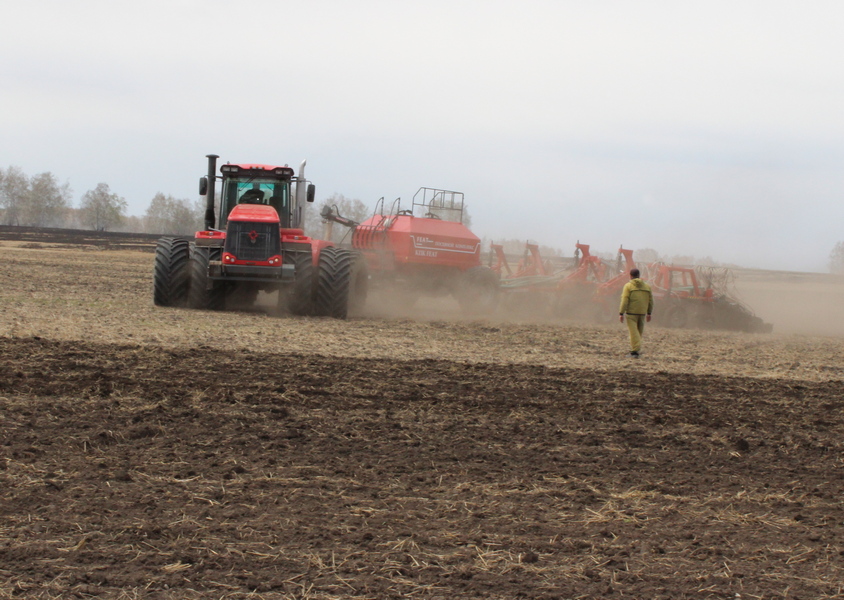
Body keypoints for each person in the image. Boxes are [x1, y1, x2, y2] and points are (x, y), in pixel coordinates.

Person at [619, 268, 653, 357]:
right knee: (639, 332)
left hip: (631, 313)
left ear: (630, 276)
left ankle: (634, 351)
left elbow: (624, 300)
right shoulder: (647, 286)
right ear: (639, 275)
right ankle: (636, 349)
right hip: (642, 313)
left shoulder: (628, 286)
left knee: (633, 332)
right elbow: (651, 301)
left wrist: (621, 313)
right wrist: (649, 313)